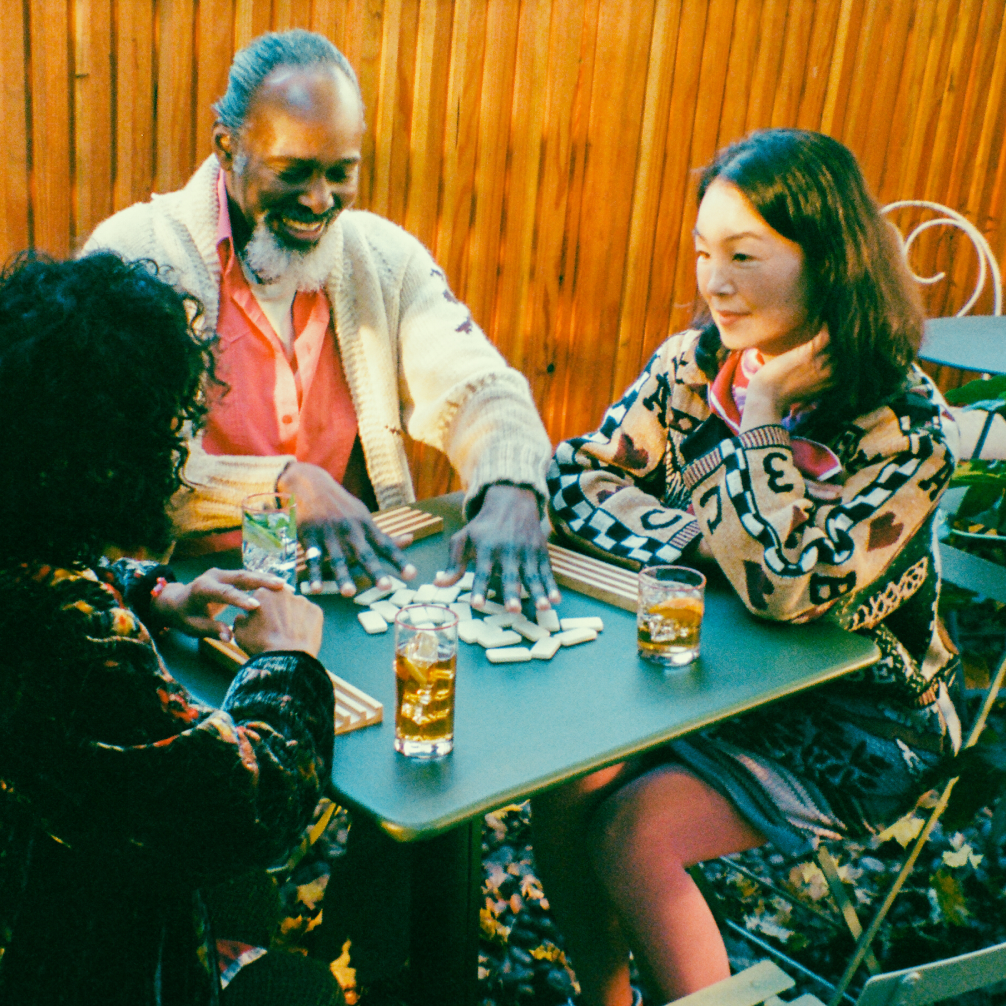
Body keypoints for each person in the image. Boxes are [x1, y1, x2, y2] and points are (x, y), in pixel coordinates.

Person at [532, 129, 960, 1006]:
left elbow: (784, 586)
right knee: (564, 785)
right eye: (702, 253)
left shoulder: (904, 430)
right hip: (705, 679)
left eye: (743, 256)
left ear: (829, 260)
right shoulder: (694, 370)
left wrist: (763, 417)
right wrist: (701, 545)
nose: (713, 283)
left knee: (631, 834)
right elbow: (574, 477)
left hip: (860, 719)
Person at [83, 29, 558, 613]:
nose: (318, 200)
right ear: (227, 147)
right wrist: (287, 484)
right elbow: (120, 467)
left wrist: (511, 484)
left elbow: (482, 388)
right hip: (180, 600)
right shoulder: (136, 259)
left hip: (347, 587)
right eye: (293, 171)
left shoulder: (385, 259)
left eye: (340, 172)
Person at [0, 252, 344, 1005]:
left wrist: (159, 596)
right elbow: (251, 809)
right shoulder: (76, 646)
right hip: (70, 963)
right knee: (302, 991)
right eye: (164, 434)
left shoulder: (26, 553)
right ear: (110, 459)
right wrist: (286, 664)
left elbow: (48, 565)